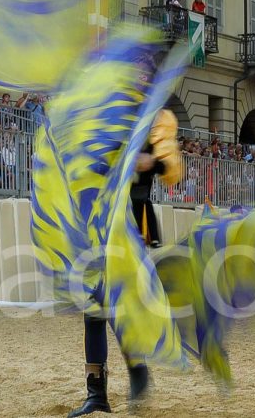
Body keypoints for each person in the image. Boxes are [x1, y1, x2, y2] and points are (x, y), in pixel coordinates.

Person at [68, 109, 181, 417]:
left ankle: (122, 380)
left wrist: (150, 162)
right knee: (98, 307)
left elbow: (172, 168)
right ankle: (114, 384)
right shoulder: (105, 120)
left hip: (134, 227)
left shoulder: (152, 121)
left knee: (109, 303)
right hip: (101, 226)